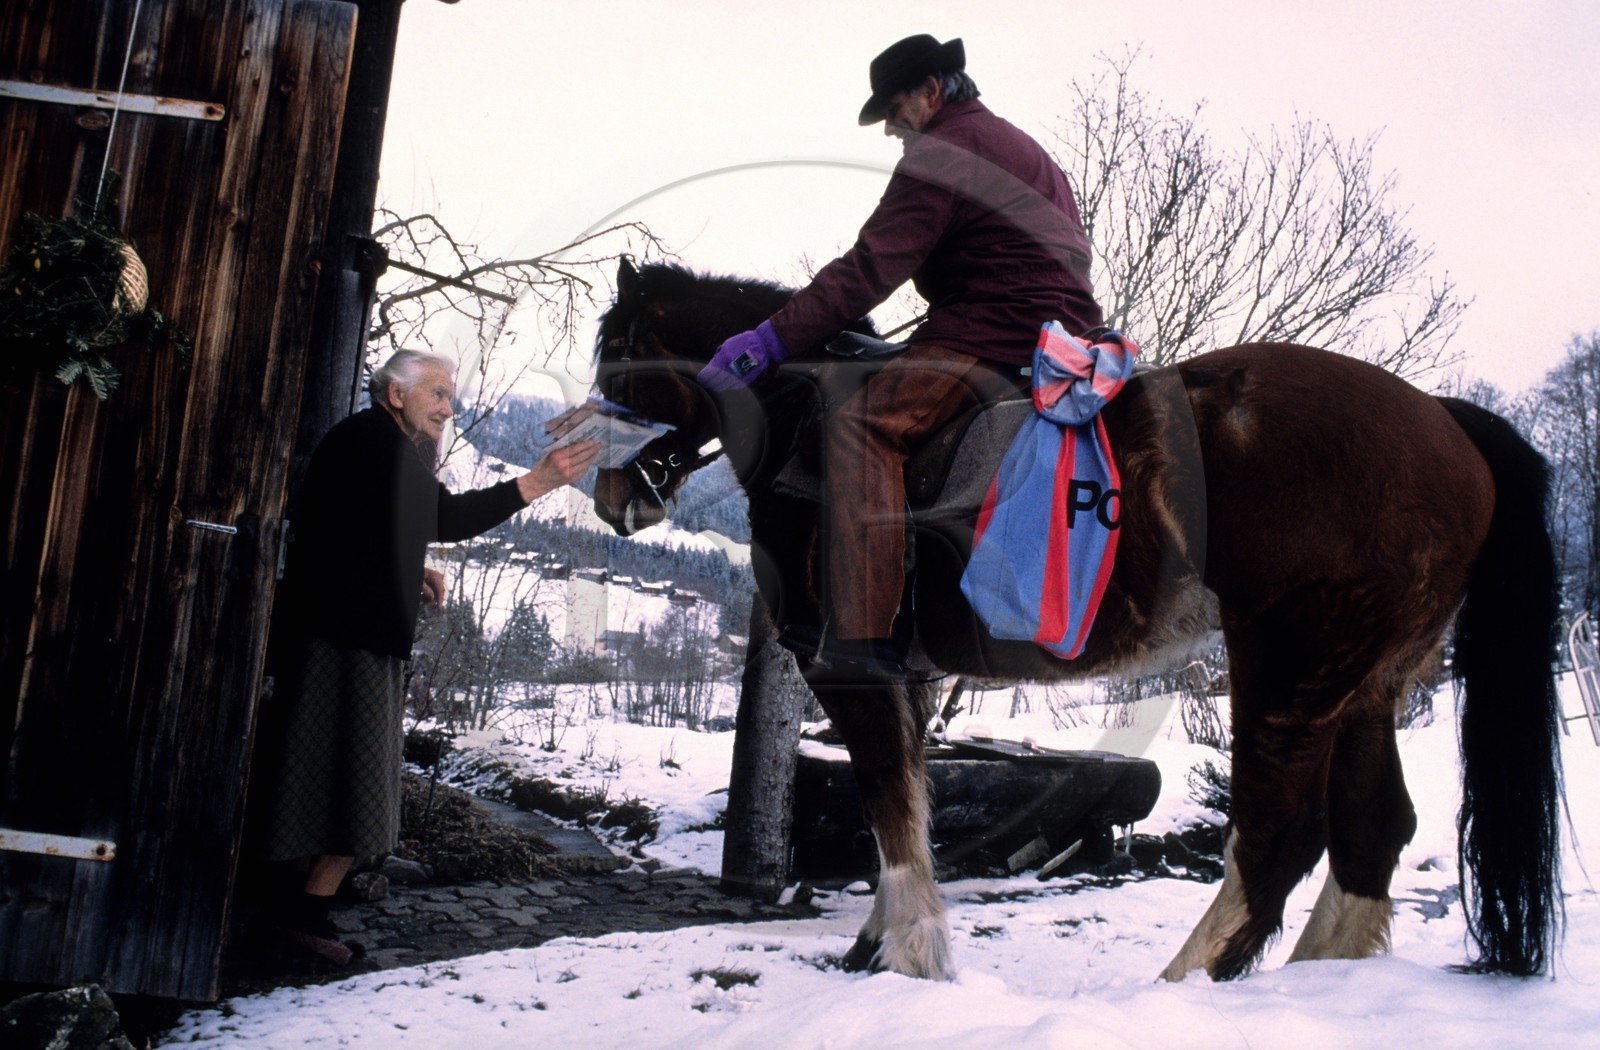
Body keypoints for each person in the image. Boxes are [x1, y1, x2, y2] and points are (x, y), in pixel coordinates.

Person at [697, 34, 1105, 675]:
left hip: (992, 335)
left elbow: (870, 267)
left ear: (931, 91)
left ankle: (866, 637)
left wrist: (769, 340)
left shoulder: (944, 151)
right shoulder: (1018, 146)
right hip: (1064, 337)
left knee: (859, 425)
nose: (891, 129)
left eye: (894, 110)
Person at [257, 349, 599, 956]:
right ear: (396, 395)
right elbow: (444, 515)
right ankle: (301, 919)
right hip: (350, 640)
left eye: (451, 395)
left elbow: (352, 527)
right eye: (438, 394)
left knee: (326, 775)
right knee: (356, 782)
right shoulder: (377, 443)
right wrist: (539, 481)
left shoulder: (371, 442)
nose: (449, 406)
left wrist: (407, 563)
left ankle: (296, 910)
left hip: (340, 631)